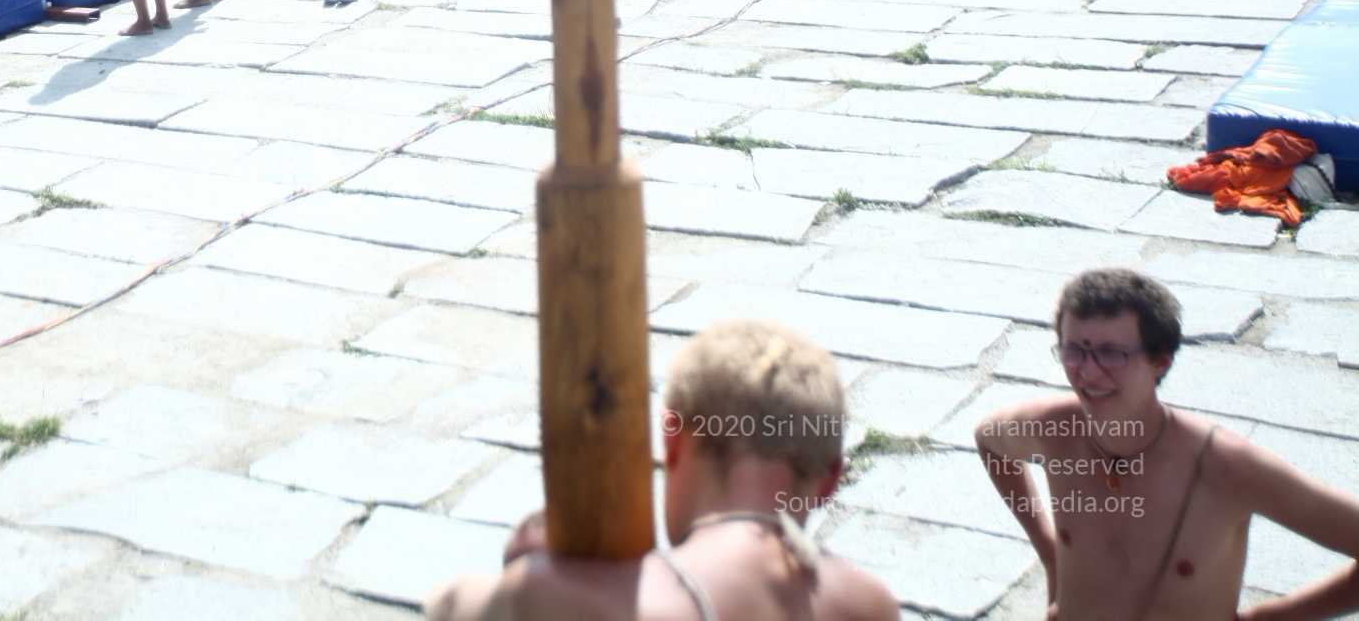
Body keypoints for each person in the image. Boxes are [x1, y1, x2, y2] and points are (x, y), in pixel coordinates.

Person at [426, 319, 900, 621]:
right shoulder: (871, 605)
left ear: (672, 442)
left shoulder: (573, 598)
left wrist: (525, 565)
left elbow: (444, 604)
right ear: (829, 480)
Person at [978, 269, 1359, 621]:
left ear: (1159, 361)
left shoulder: (1226, 466)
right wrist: (1049, 552)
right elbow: (989, 441)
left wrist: (1269, 619)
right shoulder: (1052, 431)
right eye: (1074, 350)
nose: (1088, 372)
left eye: (1111, 353)